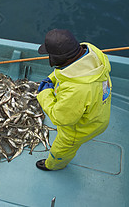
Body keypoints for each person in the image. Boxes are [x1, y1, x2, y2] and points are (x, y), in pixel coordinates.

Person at [35, 29, 112, 171]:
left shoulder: (77, 90)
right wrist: (51, 78)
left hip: (81, 128)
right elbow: (69, 69)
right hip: (101, 116)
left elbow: (61, 119)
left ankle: (53, 165)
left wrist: (44, 93)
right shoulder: (92, 52)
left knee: (61, 150)